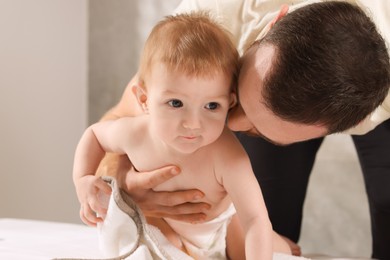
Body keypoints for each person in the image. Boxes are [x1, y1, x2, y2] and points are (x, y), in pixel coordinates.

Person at [98, 1, 390, 259]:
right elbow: (118, 123)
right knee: (263, 228)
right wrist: (123, 182)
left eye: (260, 132)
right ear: (276, 20)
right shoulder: (210, 16)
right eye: (236, 100)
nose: (233, 125)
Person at [74, 12, 293, 259]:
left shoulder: (228, 157)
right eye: (176, 103)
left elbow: (255, 219)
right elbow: (93, 135)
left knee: (256, 246)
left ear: (229, 103)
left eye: (211, 106)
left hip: (218, 224)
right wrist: (82, 179)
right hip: (162, 222)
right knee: (155, 247)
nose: (192, 124)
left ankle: (283, 244)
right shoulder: (136, 133)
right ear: (144, 100)